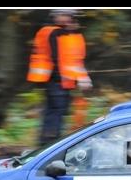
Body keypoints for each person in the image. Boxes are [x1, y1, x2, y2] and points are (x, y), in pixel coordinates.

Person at [27, 9, 92, 146]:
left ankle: (47, 145)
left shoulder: (67, 34)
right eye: (62, 15)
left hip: (63, 82)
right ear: (55, 16)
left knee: (55, 114)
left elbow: (75, 60)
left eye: (68, 16)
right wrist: (79, 78)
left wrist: (82, 77)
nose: (65, 18)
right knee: (55, 114)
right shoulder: (55, 32)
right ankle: (49, 146)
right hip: (56, 81)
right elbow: (59, 60)